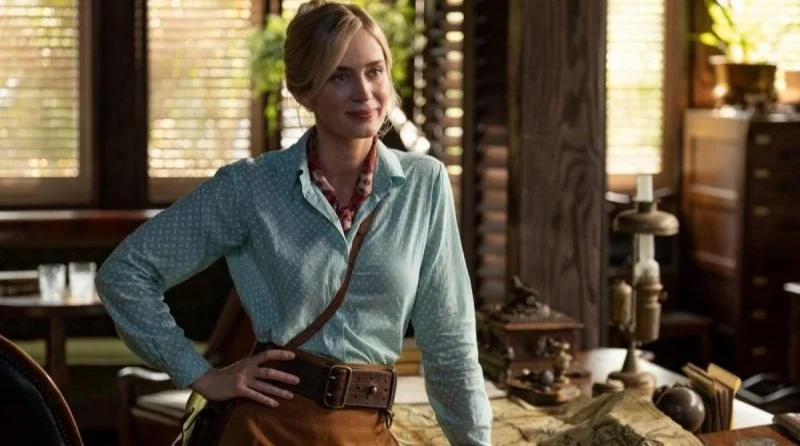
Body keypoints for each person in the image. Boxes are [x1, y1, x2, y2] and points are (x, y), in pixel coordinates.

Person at [95, 0, 492, 444]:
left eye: (374, 71)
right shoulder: (251, 187)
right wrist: (201, 375)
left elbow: (450, 345)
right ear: (304, 91)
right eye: (340, 76)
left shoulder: (424, 184)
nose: (364, 92)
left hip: (367, 430)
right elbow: (124, 274)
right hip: (265, 429)